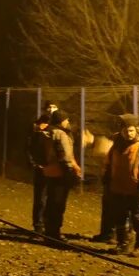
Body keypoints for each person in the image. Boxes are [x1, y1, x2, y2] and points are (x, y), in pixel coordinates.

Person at [93, 114, 139, 256]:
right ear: (121, 131)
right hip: (118, 188)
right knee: (120, 217)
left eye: (131, 131)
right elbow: (109, 164)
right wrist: (107, 180)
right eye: (126, 131)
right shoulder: (116, 146)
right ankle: (122, 244)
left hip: (135, 189)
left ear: (137, 130)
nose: (129, 134)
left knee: (138, 218)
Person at [40, 109, 82, 241]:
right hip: (60, 173)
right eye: (66, 120)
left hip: (48, 171)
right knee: (58, 203)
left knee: (50, 201)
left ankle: (47, 229)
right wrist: (70, 173)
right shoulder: (61, 134)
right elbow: (65, 156)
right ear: (62, 121)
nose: (68, 122)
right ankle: (54, 233)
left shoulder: (46, 131)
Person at [27, 102, 59, 234]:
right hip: (41, 168)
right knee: (40, 198)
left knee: (53, 199)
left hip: (55, 169)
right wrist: (34, 163)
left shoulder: (61, 125)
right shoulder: (38, 125)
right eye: (49, 107)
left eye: (54, 107)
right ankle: (38, 225)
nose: (51, 110)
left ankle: (50, 226)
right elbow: (29, 147)